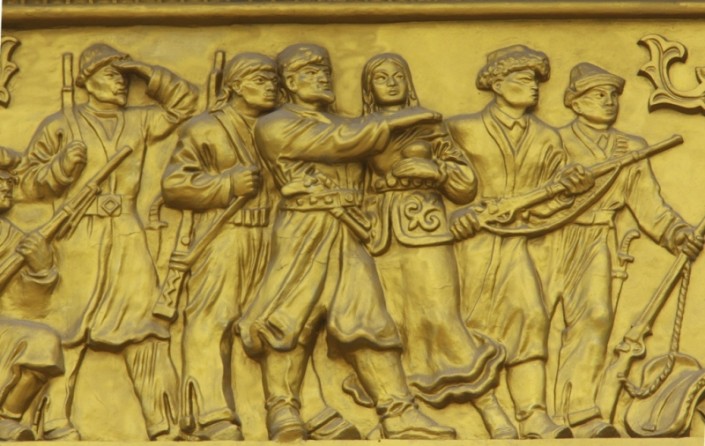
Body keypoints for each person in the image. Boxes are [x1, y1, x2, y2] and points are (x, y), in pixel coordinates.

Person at [238, 43, 456, 441]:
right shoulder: (276, 125)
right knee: (289, 319)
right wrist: (406, 116)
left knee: (367, 320)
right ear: (290, 82)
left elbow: (372, 158)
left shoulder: (351, 123)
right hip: (304, 228)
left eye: (325, 71)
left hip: (349, 228)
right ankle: (283, 411)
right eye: (310, 72)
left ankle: (398, 412)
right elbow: (339, 142)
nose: (323, 77)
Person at [19, 43, 199, 440]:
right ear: (88, 80)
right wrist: (61, 168)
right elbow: (26, 184)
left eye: (125, 77)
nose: (121, 83)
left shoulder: (140, 119)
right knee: (67, 329)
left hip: (127, 234)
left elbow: (184, 104)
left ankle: (164, 425)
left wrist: (145, 70)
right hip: (77, 235)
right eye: (112, 75)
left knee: (145, 330)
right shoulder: (60, 123)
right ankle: (54, 421)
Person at [344, 52, 515, 439]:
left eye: (397, 76)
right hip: (378, 238)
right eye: (381, 78)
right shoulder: (360, 131)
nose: (391, 83)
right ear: (368, 89)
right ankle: (399, 416)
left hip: (426, 228)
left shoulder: (429, 125)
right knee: (393, 326)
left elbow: (465, 185)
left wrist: (435, 172)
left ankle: (491, 409)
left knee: (442, 320)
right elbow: (352, 183)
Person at [531, 62, 704, 438]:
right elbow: (526, 192)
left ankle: (580, 414)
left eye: (612, 95)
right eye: (597, 94)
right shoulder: (551, 140)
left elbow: (648, 205)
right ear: (575, 102)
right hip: (545, 239)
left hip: (596, 240)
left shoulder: (632, 147)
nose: (609, 101)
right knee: (534, 322)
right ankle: (532, 415)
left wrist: (677, 234)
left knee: (595, 319)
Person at [448, 44, 592, 439]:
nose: (534, 87)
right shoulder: (460, 128)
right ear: (497, 83)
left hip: (516, 243)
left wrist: (568, 191)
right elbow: (432, 183)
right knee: (465, 325)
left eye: (537, 81)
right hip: (467, 245)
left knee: (530, 318)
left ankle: (532, 415)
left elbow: (552, 205)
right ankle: (488, 412)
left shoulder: (547, 137)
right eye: (524, 78)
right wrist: (454, 216)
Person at [0, 147, 64, 442]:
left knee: (44, 342)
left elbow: (26, 303)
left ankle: (7, 417)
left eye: (9, 181)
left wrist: (41, 269)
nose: (6, 187)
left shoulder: (9, 236)